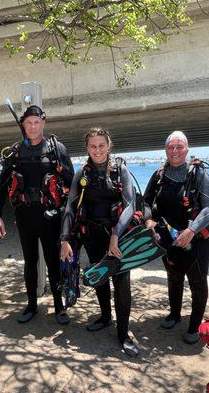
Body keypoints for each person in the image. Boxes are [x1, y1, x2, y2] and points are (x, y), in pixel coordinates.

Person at [60, 127, 138, 357]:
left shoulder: (120, 170)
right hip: (92, 233)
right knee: (100, 278)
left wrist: (116, 235)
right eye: (93, 146)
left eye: (101, 145)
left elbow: (131, 205)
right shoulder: (81, 174)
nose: (97, 150)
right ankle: (105, 317)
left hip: (118, 235)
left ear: (109, 146)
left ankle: (124, 333)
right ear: (87, 148)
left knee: (122, 283)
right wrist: (65, 239)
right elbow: (70, 207)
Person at [0, 105, 74, 324]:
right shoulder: (15, 151)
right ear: (23, 125)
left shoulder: (56, 149)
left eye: (37, 122)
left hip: (50, 217)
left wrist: (71, 219)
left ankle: (59, 307)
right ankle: (31, 305)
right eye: (29, 122)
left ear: (43, 123)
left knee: (53, 260)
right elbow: (1, 186)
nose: (33, 126)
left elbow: (72, 187)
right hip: (25, 214)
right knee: (30, 261)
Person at [143, 131, 209, 344]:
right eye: (171, 147)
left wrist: (191, 230)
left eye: (179, 147)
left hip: (197, 239)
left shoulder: (198, 174)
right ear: (165, 150)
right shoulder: (158, 175)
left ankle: (194, 326)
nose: (175, 151)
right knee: (174, 277)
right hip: (169, 238)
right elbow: (146, 202)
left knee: (196, 281)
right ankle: (174, 315)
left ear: (187, 149)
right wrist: (149, 221)